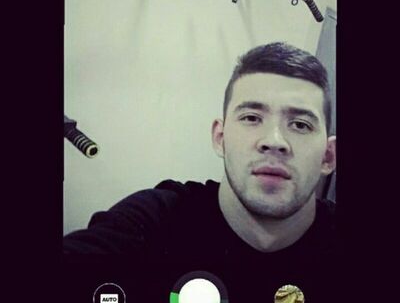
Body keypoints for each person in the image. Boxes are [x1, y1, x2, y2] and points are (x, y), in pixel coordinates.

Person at [63, 42, 337, 302]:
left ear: (328, 156)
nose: (274, 141)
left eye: (300, 125)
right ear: (220, 138)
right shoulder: (153, 222)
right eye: (252, 118)